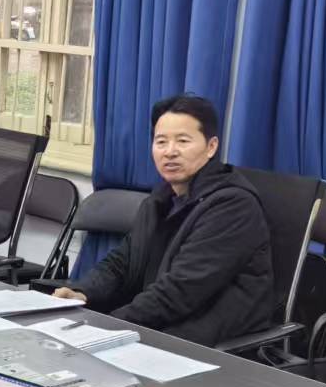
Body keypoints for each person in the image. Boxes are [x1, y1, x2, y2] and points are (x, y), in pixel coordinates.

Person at [55, 93, 277, 346]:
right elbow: (123, 262)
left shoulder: (233, 206)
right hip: (164, 324)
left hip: (205, 342)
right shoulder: (162, 199)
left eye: (183, 141)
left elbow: (182, 290)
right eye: (161, 141)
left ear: (211, 147)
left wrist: (108, 327)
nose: (170, 152)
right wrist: (83, 292)